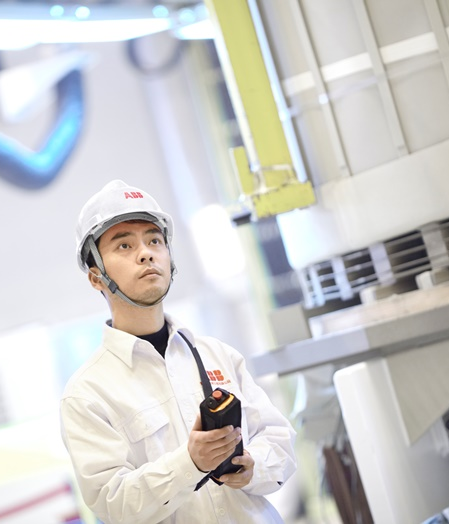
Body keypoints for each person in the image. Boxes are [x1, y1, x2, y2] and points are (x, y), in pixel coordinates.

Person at [60, 180, 297, 524]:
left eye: (154, 240)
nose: (146, 253)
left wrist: (252, 467)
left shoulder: (218, 356)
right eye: (124, 245)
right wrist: (190, 464)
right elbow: (113, 504)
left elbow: (280, 442)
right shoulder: (87, 395)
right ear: (96, 277)